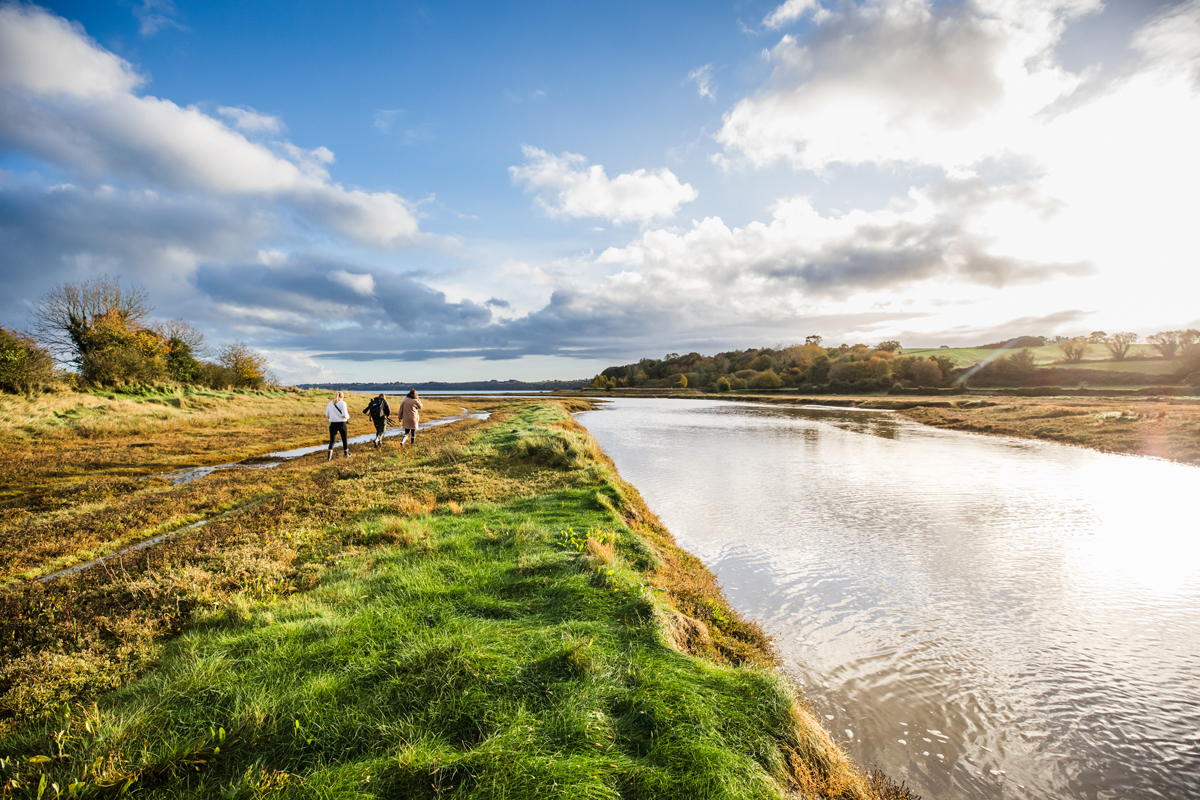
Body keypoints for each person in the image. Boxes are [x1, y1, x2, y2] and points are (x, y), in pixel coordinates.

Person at [325, 390, 351, 460]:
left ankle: (329, 458)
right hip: (342, 424)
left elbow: (326, 414)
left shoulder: (330, 403)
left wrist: (333, 416)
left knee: (332, 441)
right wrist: (348, 416)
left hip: (333, 424)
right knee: (344, 439)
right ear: (342, 396)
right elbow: (344, 415)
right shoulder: (343, 403)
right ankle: (346, 454)